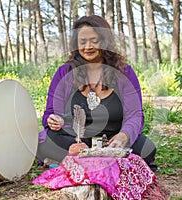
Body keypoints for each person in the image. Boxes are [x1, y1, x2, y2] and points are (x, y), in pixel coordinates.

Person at [37, 15, 157, 172]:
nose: (88, 46)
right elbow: (50, 114)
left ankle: (79, 161)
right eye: (82, 42)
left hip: (112, 140)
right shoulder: (64, 73)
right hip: (75, 140)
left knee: (146, 147)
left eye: (94, 41)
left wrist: (124, 136)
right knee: (46, 140)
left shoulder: (125, 72)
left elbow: (135, 114)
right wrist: (54, 120)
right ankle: (97, 161)